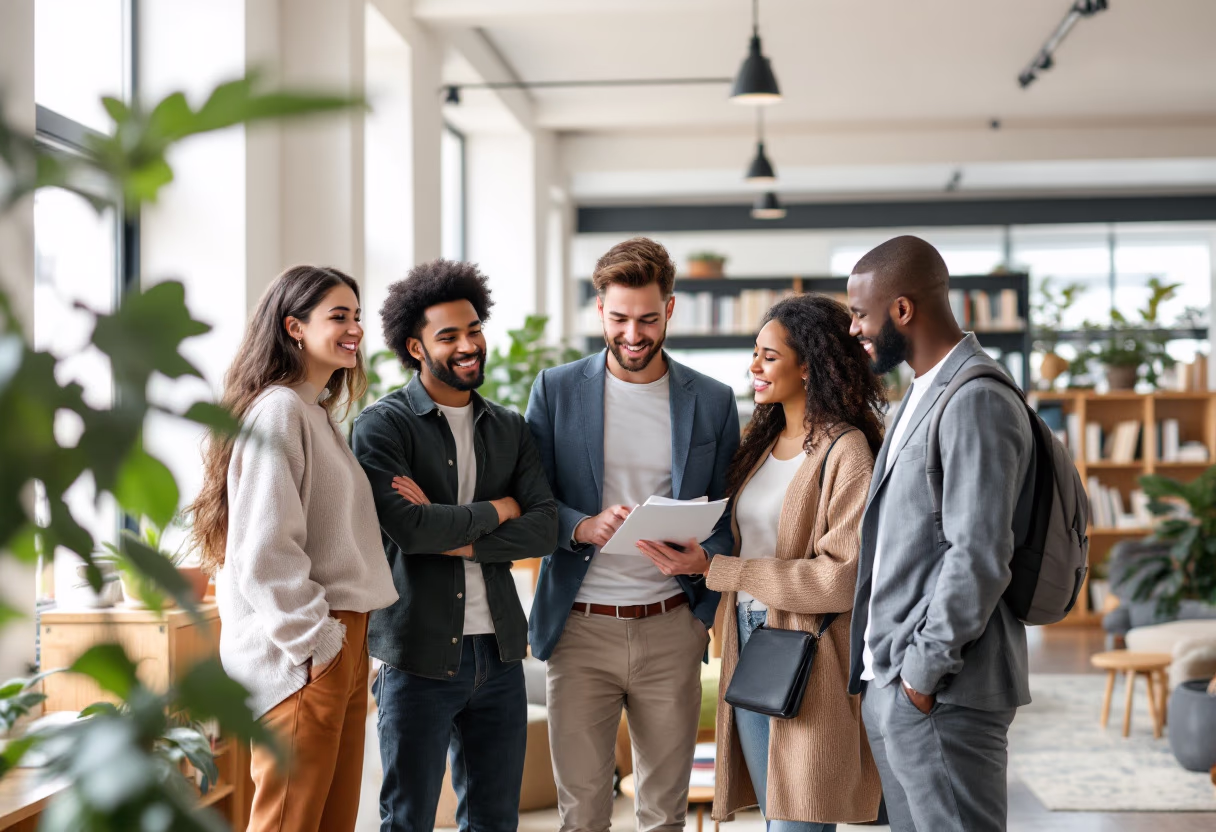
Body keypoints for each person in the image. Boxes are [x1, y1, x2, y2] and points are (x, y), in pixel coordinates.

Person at [525, 237, 739, 832]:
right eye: (620, 319)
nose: (634, 334)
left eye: (648, 318)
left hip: (671, 626)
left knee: (663, 814)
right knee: (583, 813)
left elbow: (729, 517)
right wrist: (582, 526)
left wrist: (703, 580)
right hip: (579, 628)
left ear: (670, 309)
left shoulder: (713, 401)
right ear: (600, 311)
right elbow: (533, 501)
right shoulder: (556, 389)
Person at [350, 259, 558, 832]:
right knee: (409, 818)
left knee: (495, 819)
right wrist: (498, 511)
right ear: (416, 348)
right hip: (416, 654)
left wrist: (458, 537)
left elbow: (544, 526)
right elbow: (411, 532)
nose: (469, 345)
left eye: (473, 330)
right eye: (449, 337)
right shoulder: (382, 426)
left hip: (500, 651)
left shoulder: (509, 427)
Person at [193, 265, 398, 832]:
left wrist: (342, 648)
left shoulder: (314, 413)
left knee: (330, 820)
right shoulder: (280, 411)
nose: (355, 328)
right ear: (294, 327)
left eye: (356, 316)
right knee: (289, 821)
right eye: (339, 316)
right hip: (306, 648)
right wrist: (317, 644)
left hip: (339, 641)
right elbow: (264, 550)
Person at [845, 235, 1035, 832]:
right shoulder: (917, 394)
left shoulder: (975, 397)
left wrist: (921, 679)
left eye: (858, 312)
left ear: (902, 310)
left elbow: (979, 555)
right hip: (900, 684)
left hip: (943, 691)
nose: (853, 328)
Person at [693, 295, 884, 831]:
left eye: (768, 356)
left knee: (799, 821)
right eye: (754, 353)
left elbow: (840, 578)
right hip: (749, 637)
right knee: (778, 814)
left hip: (811, 651)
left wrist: (722, 571)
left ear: (810, 365)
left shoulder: (846, 453)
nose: (753, 366)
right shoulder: (759, 445)